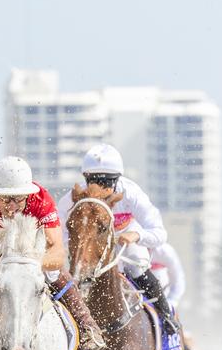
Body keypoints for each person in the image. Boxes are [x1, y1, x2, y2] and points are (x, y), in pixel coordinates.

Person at [0, 156, 107, 350]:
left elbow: (58, 254)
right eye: (5, 199)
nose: (12, 207)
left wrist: (33, 263)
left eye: (18, 199)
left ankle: (86, 325)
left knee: (53, 274)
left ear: (28, 194)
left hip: (29, 247)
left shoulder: (41, 199)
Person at [56, 144, 178, 336]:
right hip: (92, 246)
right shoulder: (71, 200)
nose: (101, 188)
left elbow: (160, 232)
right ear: (86, 179)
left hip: (124, 241)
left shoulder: (131, 194)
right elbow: (58, 232)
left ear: (117, 180)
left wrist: (138, 236)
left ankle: (166, 316)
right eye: (94, 181)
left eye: (107, 182)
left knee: (137, 266)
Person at [149, 242, 186, 311]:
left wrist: (171, 301)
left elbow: (178, 279)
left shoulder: (166, 251)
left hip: (164, 296)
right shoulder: (131, 248)